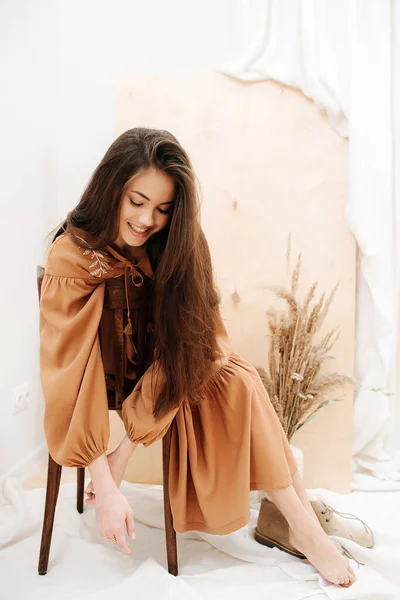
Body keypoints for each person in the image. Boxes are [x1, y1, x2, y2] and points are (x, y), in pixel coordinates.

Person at [39, 127, 357, 588]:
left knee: (238, 380)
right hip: (108, 378)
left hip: (171, 367)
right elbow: (72, 372)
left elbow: (200, 339)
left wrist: (124, 448)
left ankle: (302, 525)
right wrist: (104, 484)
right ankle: (299, 524)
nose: (148, 219)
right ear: (112, 188)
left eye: (164, 209)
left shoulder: (179, 240)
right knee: (233, 379)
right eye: (137, 201)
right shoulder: (72, 256)